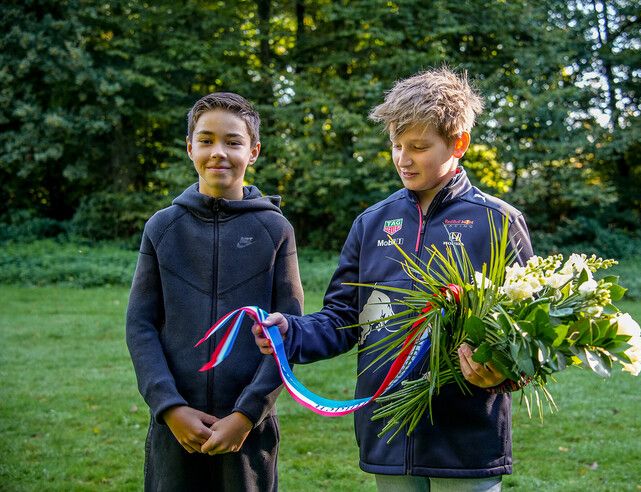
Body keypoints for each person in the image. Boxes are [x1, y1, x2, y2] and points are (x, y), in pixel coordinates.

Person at [252, 68, 533, 491]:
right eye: (397, 146)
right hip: (388, 432)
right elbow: (344, 317)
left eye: (419, 147)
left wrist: (503, 373)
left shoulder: (498, 222)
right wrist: (291, 332)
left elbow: (530, 329)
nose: (403, 158)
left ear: (459, 143)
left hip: (466, 439)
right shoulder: (371, 224)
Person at [126, 92, 303, 491]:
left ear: (253, 151)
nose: (218, 152)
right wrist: (169, 408)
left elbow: (288, 334)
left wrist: (247, 414)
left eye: (233, 141)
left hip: (247, 433)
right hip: (174, 430)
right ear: (190, 148)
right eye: (206, 140)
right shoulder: (162, 228)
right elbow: (140, 326)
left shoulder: (276, 231)